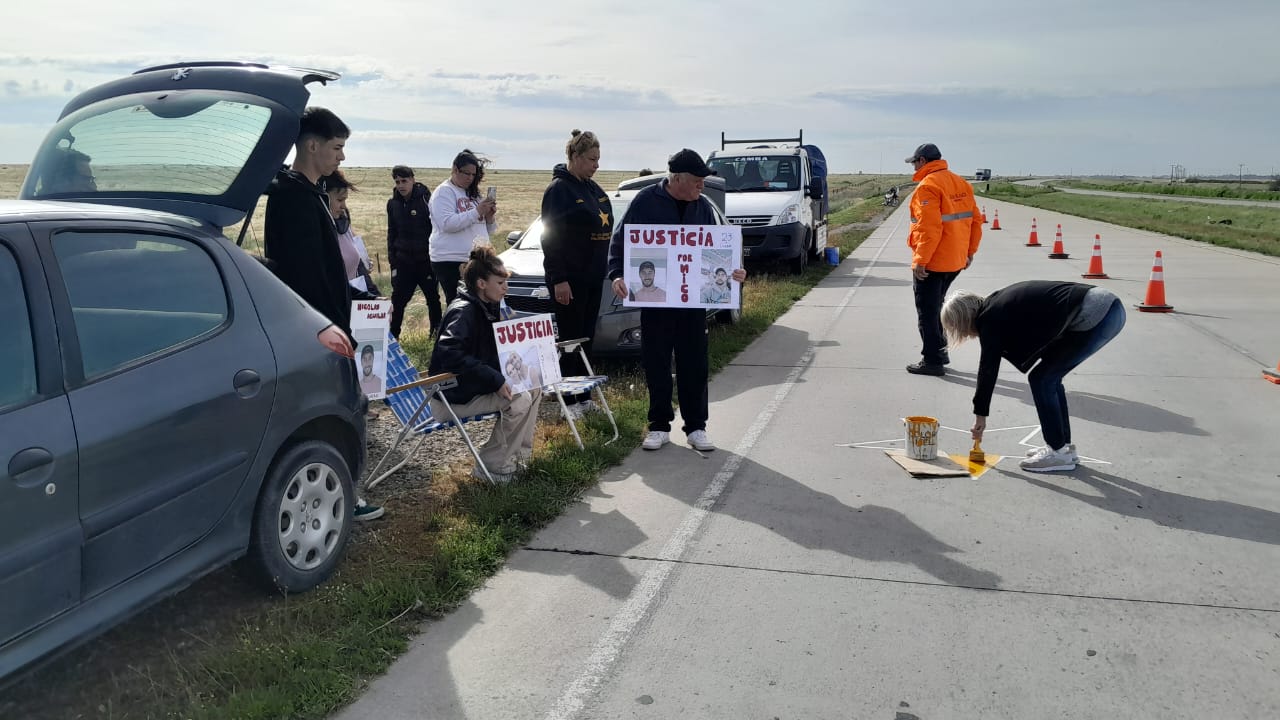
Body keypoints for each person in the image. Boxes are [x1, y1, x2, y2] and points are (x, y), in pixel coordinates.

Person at [264, 106, 383, 521]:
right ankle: (342, 495)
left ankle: (342, 491)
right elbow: (306, 276)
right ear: (311, 145)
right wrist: (332, 328)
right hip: (318, 329)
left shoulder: (307, 193)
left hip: (328, 323)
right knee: (334, 413)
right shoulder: (292, 197)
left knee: (345, 409)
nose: (342, 157)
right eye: (337, 147)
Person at [607, 148, 747, 452]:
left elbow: (719, 251)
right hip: (657, 304)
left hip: (693, 304)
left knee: (694, 364)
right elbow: (620, 242)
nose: (701, 186)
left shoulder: (704, 208)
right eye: (697, 181)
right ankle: (658, 426)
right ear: (678, 178)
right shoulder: (645, 202)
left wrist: (734, 271)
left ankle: (696, 427)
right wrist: (617, 274)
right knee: (656, 362)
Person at [941, 281, 1127, 473]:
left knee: (1043, 379)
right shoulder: (997, 303)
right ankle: (1063, 447)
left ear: (963, 320)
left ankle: (1058, 452)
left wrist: (980, 416)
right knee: (1048, 377)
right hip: (1106, 306)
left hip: (1098, 314)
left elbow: (988, 369)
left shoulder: (990, 319)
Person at [427, 246, 541, 483]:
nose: (505, 288)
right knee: (520, 400)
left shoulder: (486, 307)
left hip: (469, 389)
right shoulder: (464, 311)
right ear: (481, 283)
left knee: (534, 385)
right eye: (500, 283)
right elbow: (450, 352)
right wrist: (495, 379)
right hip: (450, 397)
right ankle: (491, 466)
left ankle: (518, 457)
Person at [540, 129, 613, 414]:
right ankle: (568, 401)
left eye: (598, 159)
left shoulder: (593, 189)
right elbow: (551, 237)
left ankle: (585, 396)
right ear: (574, 156)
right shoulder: (559, 190)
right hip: (569, 280)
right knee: (570, 341)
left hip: (593, 277)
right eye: (592, 159)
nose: (596, 165)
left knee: (587, 339)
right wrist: (559, 279)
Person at [903, 142, 982, 377]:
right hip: (955, 260)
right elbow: (976, 221)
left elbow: (930, 227)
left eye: (914, 162)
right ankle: (941, 349)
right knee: (936, 306)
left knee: (927, 311)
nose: (913, 167)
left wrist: (920, 260)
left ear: (923, 161)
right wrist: (969, 252)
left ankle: (932, 360)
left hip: (935, 261)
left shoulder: (928, 186)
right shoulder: (961, 183)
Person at [429, 150, 497, 305]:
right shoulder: (444, 192)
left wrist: (489, 217)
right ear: (455, 169)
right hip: (451, 259)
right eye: (467, 173)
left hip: (476, 258)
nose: (470, 178)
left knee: (481, 304)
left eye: (474, 175)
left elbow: (488, 230)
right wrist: (477, 211)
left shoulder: (473, 193)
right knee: (460, 305)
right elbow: (447, 224)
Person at [387, 165, 442, 338]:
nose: (401, 185)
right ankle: (392, 338)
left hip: (425, 261)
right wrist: (393, 261)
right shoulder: (393, 204)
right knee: (398, 301)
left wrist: (434, 257)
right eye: (397, 182)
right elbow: (391, 232)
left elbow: (436, 229)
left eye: (404, 181)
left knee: (433, 299)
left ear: (413, 180)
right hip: (403, 262)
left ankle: (436, 337)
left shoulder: (427, 200)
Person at [322, 170, 381, 300]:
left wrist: (374, 297)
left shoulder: (344, 225)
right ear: (322, 197)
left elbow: (360, 269)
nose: (344, 206)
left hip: (352, 304)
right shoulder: (316, 233)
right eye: (339, 199)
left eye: (345, 200)